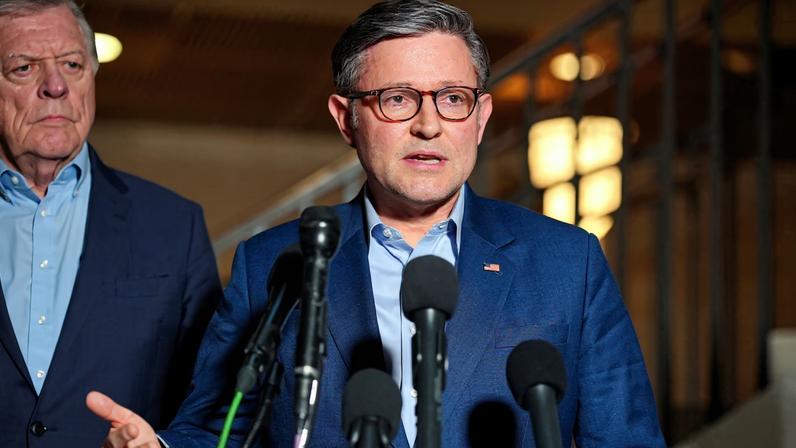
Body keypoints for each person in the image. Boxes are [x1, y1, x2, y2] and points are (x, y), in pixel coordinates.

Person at [90, 1, 666, 446]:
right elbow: (217, 429)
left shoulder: (568, 262)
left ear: (482, 117)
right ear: (347, 119)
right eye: (397, 99)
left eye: (452, 98)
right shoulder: (273, 264)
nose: (429, 125)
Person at [0, 1, 222, 446]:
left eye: (73, 64)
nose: (56, 86)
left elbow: (214, 406)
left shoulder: (175, 226)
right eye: (24, 67)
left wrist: (161, 446)